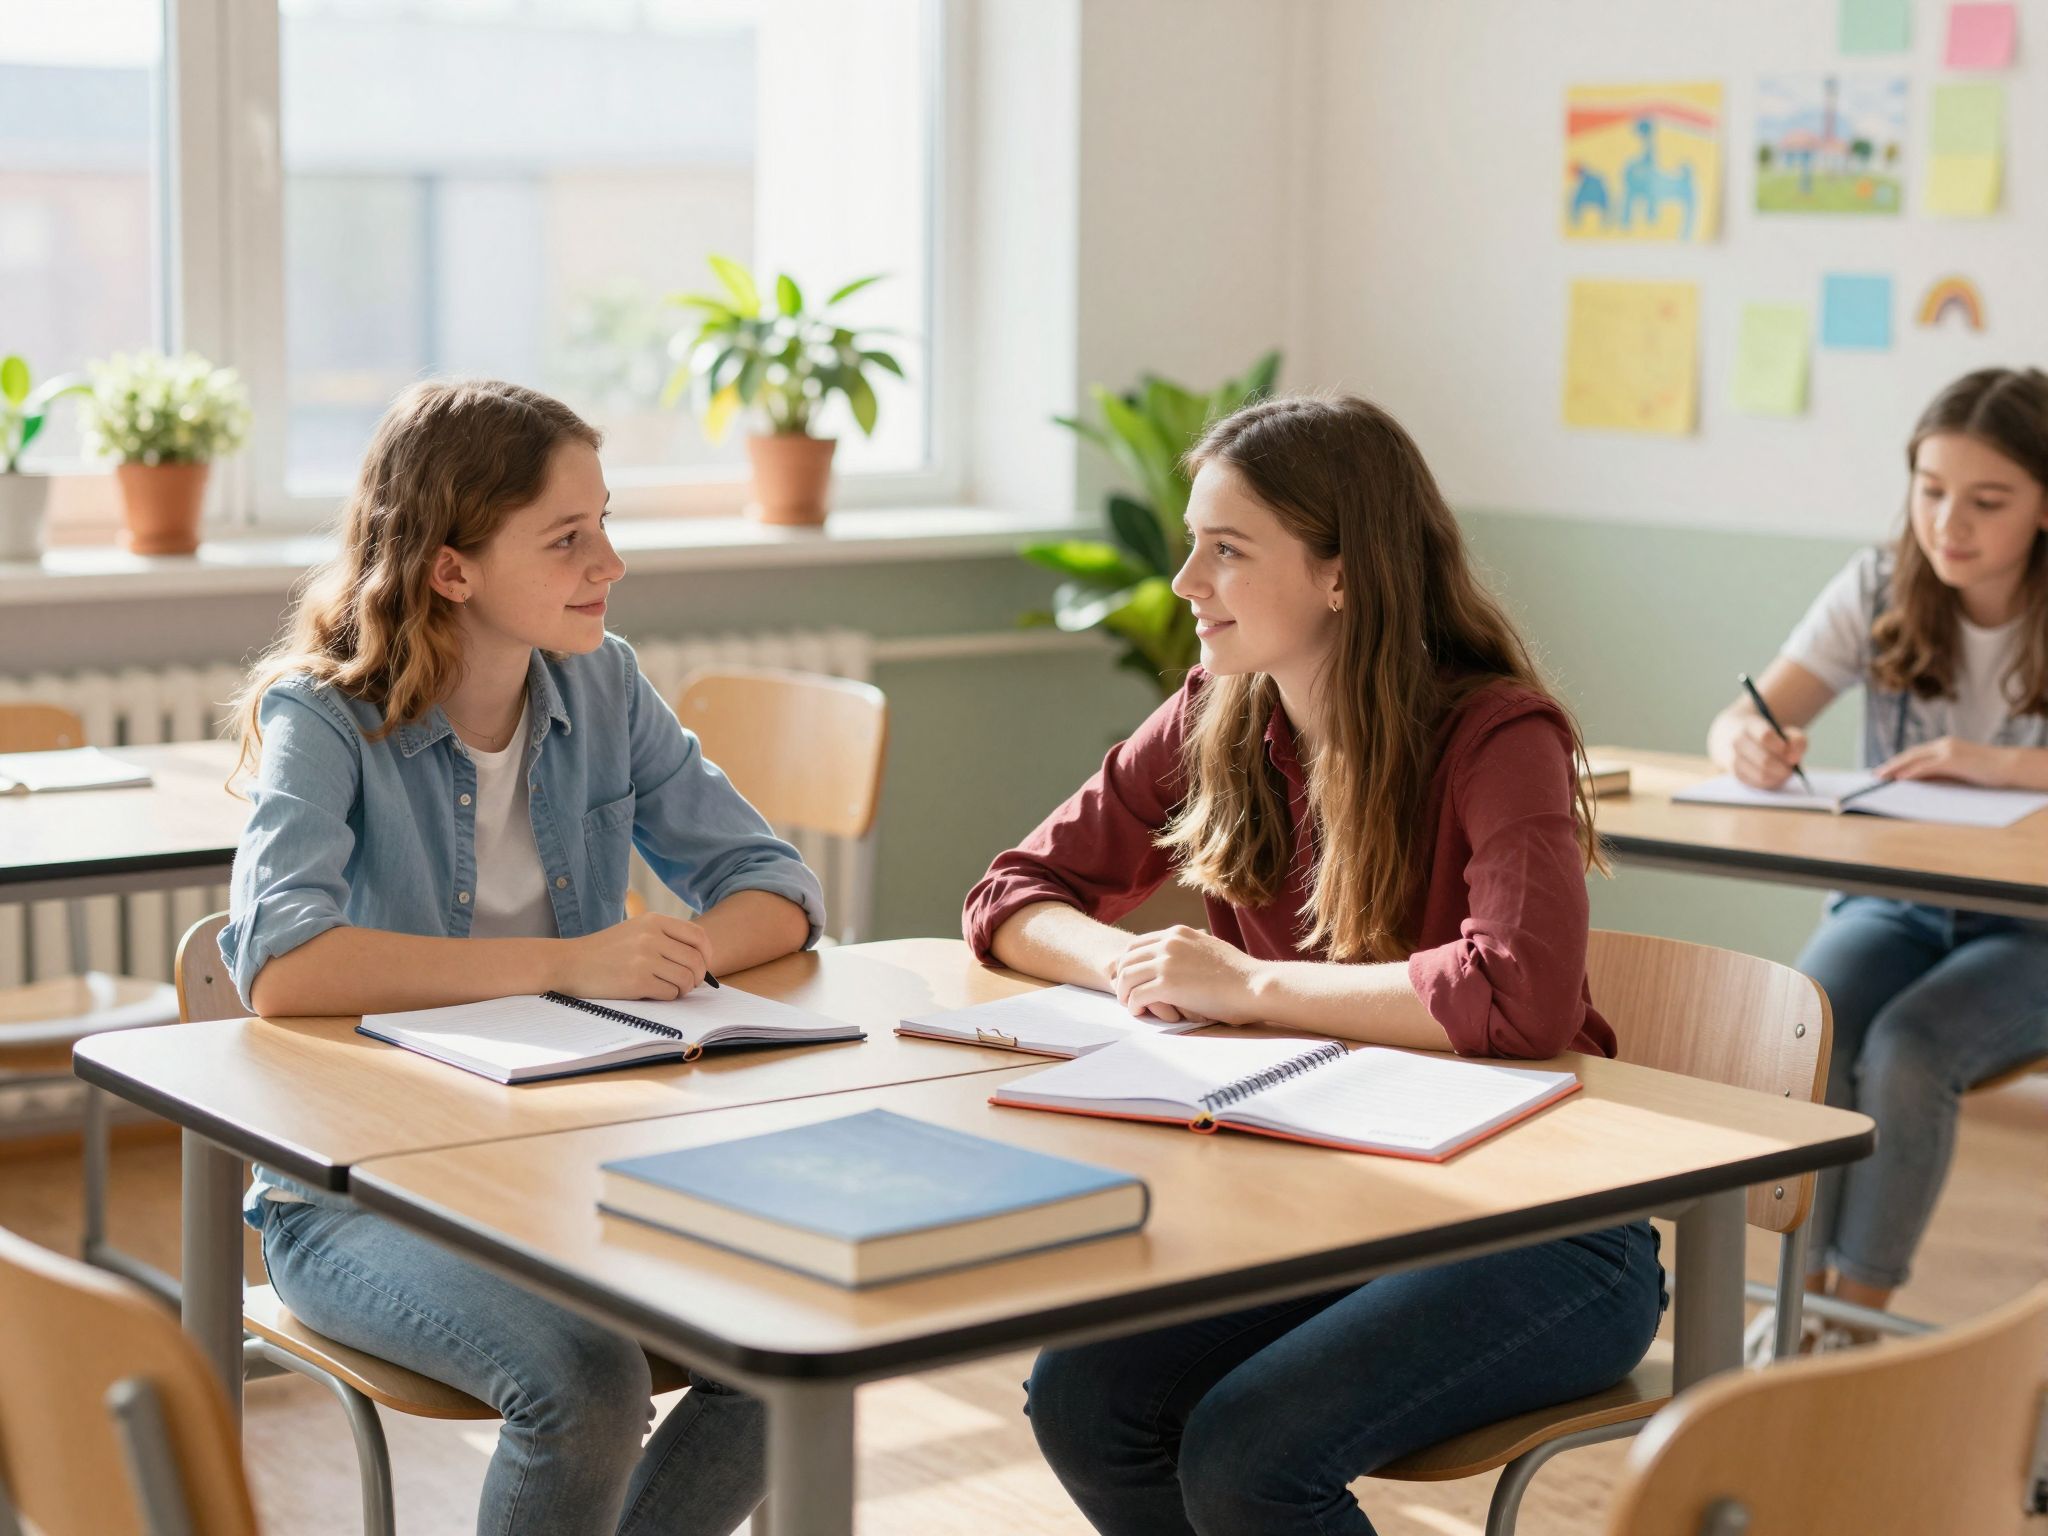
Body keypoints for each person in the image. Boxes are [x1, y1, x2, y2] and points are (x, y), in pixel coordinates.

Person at [966, 393, 1664, 1536]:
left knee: (1246, 1457)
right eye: (1193, 544)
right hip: (1333, 1210)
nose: (1187, 580)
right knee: (1084, 1399)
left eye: (1226, 551)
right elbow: (1009, 897)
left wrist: (1244, 990)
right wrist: (1138, 966)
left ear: (1343, 574)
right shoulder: (1216, 713)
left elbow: (1518, 993)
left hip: (1547, 1230)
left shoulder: (1498, 735)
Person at [222, 378, 825, 1535]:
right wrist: (571, 964)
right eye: (566, 537)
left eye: (605, 522)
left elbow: (776, 889)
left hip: (571, 1172)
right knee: (585, 1383)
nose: (609, 560)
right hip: (357, 1200)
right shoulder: (324, 715)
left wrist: (673, 954)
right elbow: (285, 966)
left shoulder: (602, 683)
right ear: (452, 568)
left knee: (800, 1327)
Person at [1707, 367, 2048, 1348]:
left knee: (1909, 1049)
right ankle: (1796, 1301)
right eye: (1929, 489)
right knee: (1801, 1029)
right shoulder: (1875, 585)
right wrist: (1746, 742)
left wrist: (1991, 767)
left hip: (2028, 930)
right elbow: (1744, 713)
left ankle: (1846, 1330)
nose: (1949, 522)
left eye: (1986, 501)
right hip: (1889, 908)